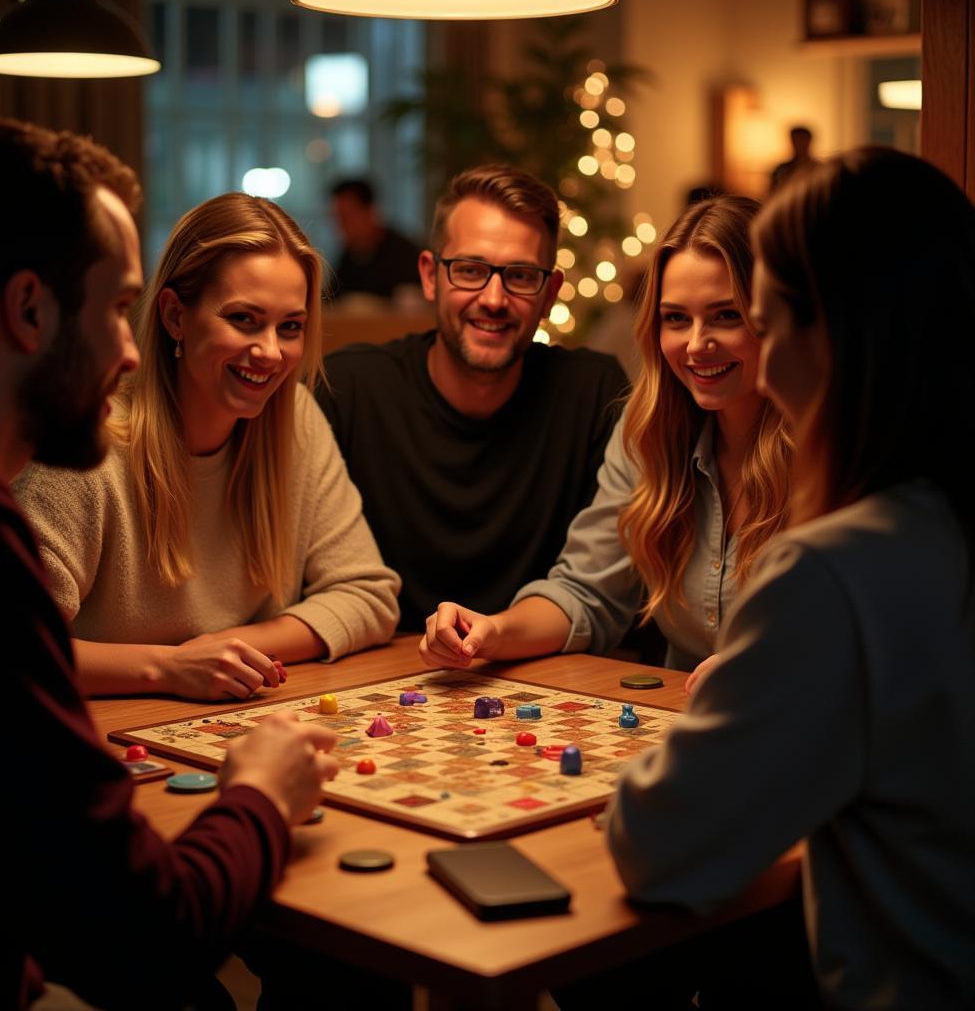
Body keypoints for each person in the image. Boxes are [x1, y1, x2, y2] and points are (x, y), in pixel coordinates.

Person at [0, 117, 340, 1009]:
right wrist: (258, 795)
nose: (129, 353)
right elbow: (148, 928)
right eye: (119, 307)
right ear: (29, 310)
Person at [610, 147, 975, 1006]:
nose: (759, 366)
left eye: (762, 324)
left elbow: (659, 844)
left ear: (836, 336)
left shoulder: (835, 570)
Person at [15, 191, 400, 701]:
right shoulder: (86, 444)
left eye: (290, 327)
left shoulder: (297, 421)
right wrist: (169, 668)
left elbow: (368, 595)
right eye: (244, 319)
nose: (269, 352)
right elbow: (6, 647)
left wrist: (225, 649)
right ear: (175, 315)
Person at [421, 195, 792, 672]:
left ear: (776, 318)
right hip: (687, 727)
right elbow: (587, 592)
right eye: (676, 318)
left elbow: (886, 636)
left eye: (727, 315)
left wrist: (772, 667)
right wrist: (492, 631)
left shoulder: (839, 449)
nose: (697, 344)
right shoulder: (648, 432)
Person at [318, 164, 628, 631]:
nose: (494, 298)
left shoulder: (593, 394)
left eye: (521, 276)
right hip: (374, 678)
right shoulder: (349, 389)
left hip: (544, 672)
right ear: (429, 276)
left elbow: (601, 593)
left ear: (549, 294)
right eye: (470, 270)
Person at [328, 177, 422, 302]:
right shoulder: (347, 256)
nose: (340, 226)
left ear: (370, 211)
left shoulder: (404, 254)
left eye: (346, 217)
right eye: (337, 218)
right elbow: (332, 300)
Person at [770, 125, 818, 193]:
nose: (799, 144)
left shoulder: (818, 169)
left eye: (802, 140)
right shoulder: (781, 169)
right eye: (796, 140)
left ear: (809, 141)